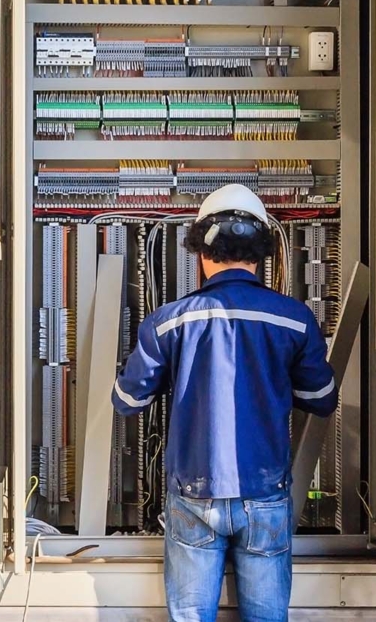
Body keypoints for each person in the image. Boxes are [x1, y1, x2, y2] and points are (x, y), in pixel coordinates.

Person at [111, 183, 339, 622]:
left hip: (193, 494)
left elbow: (127, 401)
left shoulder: (169, 322)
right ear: (262, 253)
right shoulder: (292, 319)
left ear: (201, 251)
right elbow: (322, 398)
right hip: (265, 494)